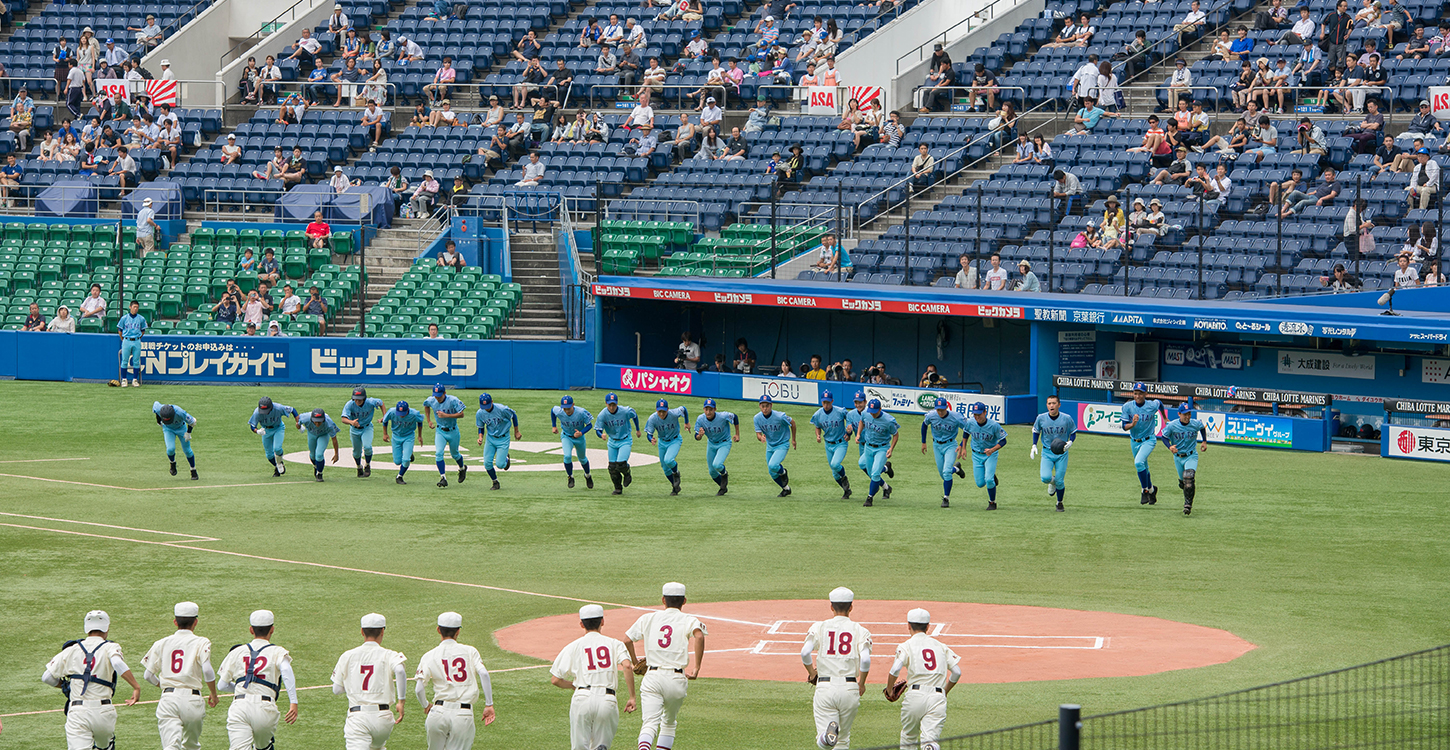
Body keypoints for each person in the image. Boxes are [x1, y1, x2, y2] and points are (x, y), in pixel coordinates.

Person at [42, 610, 143, 750]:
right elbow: (118, 663)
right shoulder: (110, 647)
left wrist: (66, 685)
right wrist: (136, 686)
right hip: (103, 711)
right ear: (107, 628)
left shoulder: (71, 649)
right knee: (105, 747)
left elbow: (47, 677)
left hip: (77, 712)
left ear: (86, 628)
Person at [623, 582, 706, 750]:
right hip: (676, 678)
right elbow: (699, 636)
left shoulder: (649, 617)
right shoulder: (688, 619)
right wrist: (696, 668)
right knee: (668, 723)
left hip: (653, 677)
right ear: (684, 601)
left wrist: (635, 662)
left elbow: (627, 640)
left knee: (649, 723)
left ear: (663, 600)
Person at [551, 604, 636, 750]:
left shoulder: (574, 646)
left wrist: (573, 685)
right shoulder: (615, 644)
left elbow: (555, 679)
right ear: (602, 622)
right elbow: (627, 666)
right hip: (607, 700)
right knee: (601, 747)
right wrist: (632, 696)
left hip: (582, 698)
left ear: (581, 624)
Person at [216, 610, 299, 750]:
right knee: (263, 747)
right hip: (265, 707)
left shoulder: (237, 651)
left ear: (251, 630)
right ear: (272, 629)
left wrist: (239, 687)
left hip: (240, 706)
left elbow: (222, 685)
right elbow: (286, 670)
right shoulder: (277, 651)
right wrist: (293, 702)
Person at [800, 587, 871, 750]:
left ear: (831, 607)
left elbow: (805, 653)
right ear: (851, 607)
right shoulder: (861, 630)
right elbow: (865, 660)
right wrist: (862, 683)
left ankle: (826, 738)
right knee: (843, 740)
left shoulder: (819, 627)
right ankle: (829, 738)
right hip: (850, 688)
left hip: (825, 686)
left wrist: (812, 673)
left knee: (825, 740)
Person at [140, 601, 217, 749]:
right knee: (191, 746)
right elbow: (207, 670)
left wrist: (164, 686)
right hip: (193, 700)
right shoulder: (202, 641)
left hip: (169, 699)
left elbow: (148, 675)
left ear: (175, 622)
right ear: (196, 622)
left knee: (171, 746)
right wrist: (213, 693)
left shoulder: (161, 643)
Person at [414, 611, 495, 750]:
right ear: (458, 632)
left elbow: (419, 688)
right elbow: (484, 674)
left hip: (437, 713)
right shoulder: (470, 651)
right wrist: (489, 704)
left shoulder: (429, 655)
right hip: (462, 715)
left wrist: (426, 704)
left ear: (438, 630)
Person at [885, 609, 961, 750]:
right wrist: (945, 691)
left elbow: (895, 669)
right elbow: (957, 672)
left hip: (914, 696)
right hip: (937, 697)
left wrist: (889, 690)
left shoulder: (906, 645)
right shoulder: (941, 646)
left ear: (908, 625)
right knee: (930, 741)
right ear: (928, 627)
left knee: (909, 737)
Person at [331, 613, 407, 750]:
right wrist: (401, 701)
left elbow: (336, 690)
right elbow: (400, 671)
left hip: (358, 719)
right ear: (382, 631)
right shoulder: (389, 654)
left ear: (362, 631)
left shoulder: (347, 655)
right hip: (383, 719)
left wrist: (353, 684)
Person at [1120, 382, 1166, 506]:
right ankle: (1152, 490)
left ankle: (1144, 490)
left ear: (1145, 394)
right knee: (1143, 466)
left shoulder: (1151, 405)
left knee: (1138, 462)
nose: (1138, 396)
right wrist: (1133, 424)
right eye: (1135, 393)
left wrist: (1164, 417)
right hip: (1134, 441)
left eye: (1140, 393)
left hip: (1149, 439)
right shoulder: (1127, 407)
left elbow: (1160, 404)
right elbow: (1124, 427)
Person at [1030, 395, 1077, 512]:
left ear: (1059, 405)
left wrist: (1071, 441)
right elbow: (1036, 431)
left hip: (1062, 453)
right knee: (1045, 478)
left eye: (1054, 403)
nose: (1052, 405)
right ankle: (1052, 482)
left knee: (1060, 481)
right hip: (1047, 452)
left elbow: (1073, 432)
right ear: (1046, 405)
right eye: (1049, 403)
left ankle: (1059, 503)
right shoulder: (1041, 418)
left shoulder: (1067, 418)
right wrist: (1034, 445)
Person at [1159, 403, 1208, 515]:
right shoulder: (1172, 425)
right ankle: (1184, 486)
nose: (1187, 417)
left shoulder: (1195, 423)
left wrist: (1204, 441)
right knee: (1184, 483)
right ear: (1179, 414)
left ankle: (1188, 505)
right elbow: (1164, 437)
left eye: (1189, 414)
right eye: (1185, 414)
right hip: (1178, 457)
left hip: (1191, 455)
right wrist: (1170, 447)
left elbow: (1202, 427)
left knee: (1189, 477)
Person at [960, 401, 1006, 510]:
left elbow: (1003, 441)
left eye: (979, 414)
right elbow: (966, 433)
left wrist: (992, 449)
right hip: (976, 455)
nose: (977, 417)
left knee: (989, 480)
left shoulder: (994, 425)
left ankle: (992, 502)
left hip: (990, 455)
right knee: (980, 483)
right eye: (975, 414)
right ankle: (991, 476)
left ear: (985, 412)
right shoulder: (970, 422)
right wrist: (963, 448)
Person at [855, 398, 898, 507]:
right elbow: (861, 422)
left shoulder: (888, 420)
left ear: (880, 409)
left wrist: (891, 448)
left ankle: (870, 498)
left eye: (875, 412)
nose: (872, 414)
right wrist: (858, 434)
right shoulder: (866, 413)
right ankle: (886, 470)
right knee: (866, 468)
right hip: (868, 447)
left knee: (874, 473)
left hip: (882, 448)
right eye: (871, 411)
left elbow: (896, 434)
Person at [595, 393, 641, 495]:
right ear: (606, 404)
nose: (612, 407)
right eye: (609, 405)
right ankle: (618, 488)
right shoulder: (602, 415)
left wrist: (637, 429)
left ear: (617, 404)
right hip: (612, 441)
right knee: (612, 467)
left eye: (614, 405)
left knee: (620, 463)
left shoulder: (625, 411)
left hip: (625, 439)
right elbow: (598, 429)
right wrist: (600, 435)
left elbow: (634, 415)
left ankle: (627, 473)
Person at [693, 398, 740, 495]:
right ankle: (723, 487)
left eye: (711, 409)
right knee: (712, 472)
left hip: (724, 443)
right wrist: (700, 435)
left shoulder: (722, 416)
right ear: (703, 409)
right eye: (706, 409)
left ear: (715, 409)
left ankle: (724, 474)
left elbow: (735, 417)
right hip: (711, 444)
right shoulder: (700, 419)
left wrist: (737, 434)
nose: (708, 412)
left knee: (717, 464)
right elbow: (696, 436)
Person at [751, 396, 797, 496]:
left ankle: (783, 472)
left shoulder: (780, 416)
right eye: (763, 406)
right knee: (771, 472)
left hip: (782, 444)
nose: (765, 408)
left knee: (773, 465)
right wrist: (761, 438)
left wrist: (793, 439)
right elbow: (758, 434)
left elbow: (792, 423)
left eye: (767, 406)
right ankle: (786, 489)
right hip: (770, 446)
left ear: (771, 405)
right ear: (759, 406)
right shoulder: (757, 418)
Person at [475, 393, 521, 491]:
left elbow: (513, 416)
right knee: (487, 463)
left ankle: (506, 460)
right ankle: (495, 482)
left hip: (503, 438)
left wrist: (516, 431)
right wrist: (480, 437)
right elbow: (481, 427)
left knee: (500, 465)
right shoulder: (480, 413)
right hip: (490, 438)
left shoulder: (502, 409)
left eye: (487, 406)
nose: (486, 409)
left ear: (492, 402)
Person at [248, 396, 301, 477]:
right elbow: (252, 425)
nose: (264, 412)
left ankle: (279, 463)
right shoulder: (257, 412)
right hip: (266, 430)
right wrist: (257, 431)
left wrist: (298, 422)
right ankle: (278, 465)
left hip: (278, 428)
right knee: (269, 455)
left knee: (277, 448)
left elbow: (292, 410)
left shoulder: (278, 408)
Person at [645, 398, 689, 494]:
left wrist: (686, 422)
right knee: (665, 467)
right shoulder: (652, 418)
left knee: (668, 460)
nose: (661, 413)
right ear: (656, 410)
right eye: (659, 411)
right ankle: (675, 487)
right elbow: (649, 433)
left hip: (675, 440)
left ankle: (676, 473)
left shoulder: (674, 413)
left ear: (668, 409)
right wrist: (651, 439)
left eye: (663, 411)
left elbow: (684, 409)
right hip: (662, 442)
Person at [382, 401, 425, 484]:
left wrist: (419, 435)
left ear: (408, 410)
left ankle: (400, 476)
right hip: (396, 436)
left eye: (403, 413)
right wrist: (385, 434)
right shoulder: (392, 412)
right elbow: (385, 421)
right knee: (397, 461)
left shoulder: (414, 414)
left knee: (405, 460)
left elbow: (420, 421)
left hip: (408, 436)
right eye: (399, 413)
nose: (401, 415)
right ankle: (409, 453)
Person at [299, 408, 340, 482]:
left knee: (319, 454)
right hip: (312, 434)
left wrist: (336, 454)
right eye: (315, 421)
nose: (317, 424)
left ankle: (319, 473)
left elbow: (334, 439)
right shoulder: (306, 418)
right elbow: (298, 419)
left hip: (323, 435)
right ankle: (315, 466)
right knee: (312, 455)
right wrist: (299, 427)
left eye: (319, 422)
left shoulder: (329, 423)